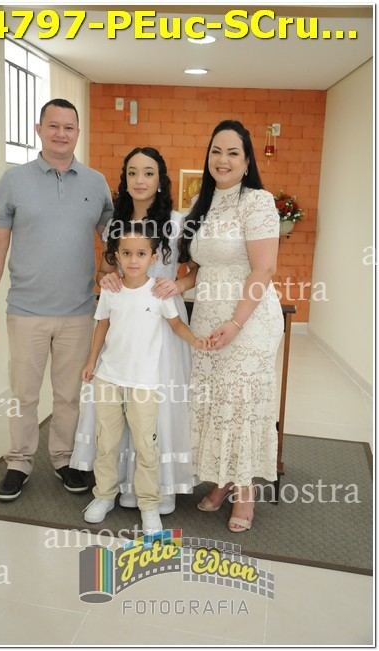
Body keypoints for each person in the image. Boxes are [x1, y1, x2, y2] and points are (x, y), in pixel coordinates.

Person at [0, 98, 114, 501]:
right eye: (53, 126)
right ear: (39, 130)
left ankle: (64, 458)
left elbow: (115, 240)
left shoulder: (95, 183)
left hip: (79, 311)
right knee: (24, 394)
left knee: (69, 394)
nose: (61, 133)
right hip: (26, 310)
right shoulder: (14, 180)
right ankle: (19, 462)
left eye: (69, 127)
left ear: (77, 133)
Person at [70, 147, 198, 514]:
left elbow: (196, 270)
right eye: (132, 173)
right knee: (115, 409)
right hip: (124, 325)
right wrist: (107, 278)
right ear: (124, 179)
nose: (140, 180)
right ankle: (115, 487)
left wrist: (178, 285)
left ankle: (159, 491)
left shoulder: (177, 222)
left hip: (164, 325)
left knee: (154, 411)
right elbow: (104, 271)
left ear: (161, 180)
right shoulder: (115, 223)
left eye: (148, 173)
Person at [179, 119, 284, 532]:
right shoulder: (202, 202)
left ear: (246, 161)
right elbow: (201, 267)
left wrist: (237, 322)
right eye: (216, 151)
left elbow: (264, 269)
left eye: (232, 153)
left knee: (239, 403)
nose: (222, 160)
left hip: (248, 319)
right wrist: (176, 284)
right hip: (207, 318)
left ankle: (245, 494)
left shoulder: (257, 202)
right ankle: (221, 480)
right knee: (214, 401)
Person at [82, 221, 209, 533]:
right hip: (109, 378)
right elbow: (101, 326)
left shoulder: (159, 293)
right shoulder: (111, 290)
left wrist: (195, 341)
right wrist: (91, 362)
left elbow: (176, 325)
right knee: (107, 442)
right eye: (126, 253)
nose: (133, 259)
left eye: (140, 254)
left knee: (146, 447)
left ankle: (149, 505)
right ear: (117, 256)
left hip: (144, 383)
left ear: (153, 257)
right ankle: (104, 496)